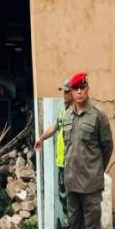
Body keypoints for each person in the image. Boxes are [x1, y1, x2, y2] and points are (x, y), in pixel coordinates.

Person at [62, 72, 113, 229]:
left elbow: (107, 147)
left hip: (91, 184)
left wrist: (96, 171)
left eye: (83, 88)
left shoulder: (98, 116)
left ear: (88, 89)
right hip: (72, 183)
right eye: (76, 89)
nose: (80, 92)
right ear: (71, 93)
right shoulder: (67, 116)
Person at [35, 78, 75, 216]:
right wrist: (41, 138)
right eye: (63, 92)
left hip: (72, 163)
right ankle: (69, 228)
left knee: (72, 198)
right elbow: (55, 126)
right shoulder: (64, 110)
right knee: (63, 196)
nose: (64, 95)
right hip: (62, 162)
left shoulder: (77, 112)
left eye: (67, 92)